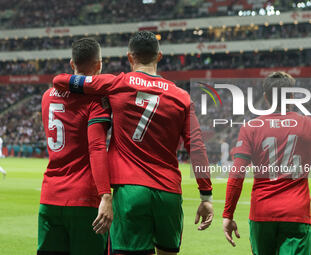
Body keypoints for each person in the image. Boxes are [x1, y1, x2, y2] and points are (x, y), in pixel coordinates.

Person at [53, 31, 213, 255]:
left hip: (130, 190)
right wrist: (206, 195)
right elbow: (197, 147)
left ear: (130, 57)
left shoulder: (117, 83)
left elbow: (61, 81)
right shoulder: (182, 97)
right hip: (168, 192)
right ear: (159, 57)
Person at [222, 72, 311, 255]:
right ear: (292, 95)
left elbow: (237, 174)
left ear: (266, 97)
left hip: (261, 214)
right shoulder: (310, 124)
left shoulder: (250, 127)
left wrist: (228, 214)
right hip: (296, 214)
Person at [38, 38, 113, 255]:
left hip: (50, 196)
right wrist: (105, 195)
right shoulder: (96, 101)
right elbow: (97, 147)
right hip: (84, 198)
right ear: (99, 64)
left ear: (72, 63)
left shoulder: (47, 96)